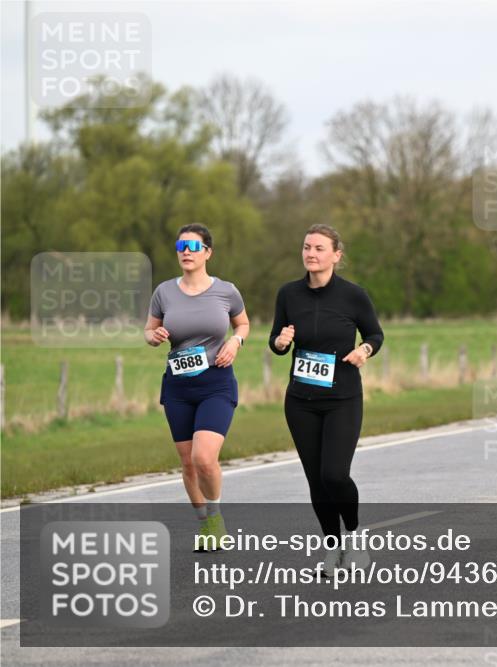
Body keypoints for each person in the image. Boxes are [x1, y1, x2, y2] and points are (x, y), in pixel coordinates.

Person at [270, 224, 384, 574]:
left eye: (319, 248)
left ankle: (355, 537)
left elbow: (375, 334)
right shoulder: (289, 294)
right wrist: (281, 343)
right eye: (307, 247)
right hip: (300, 401)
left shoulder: (353, 295)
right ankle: (332, 549)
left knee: (334, 475)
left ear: (336, 255)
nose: (311, 253)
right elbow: (276, 340)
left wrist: (364, 350)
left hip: (342, 399)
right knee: (316, 480)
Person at [144, 224, 249, 548]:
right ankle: (205, 524)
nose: (186, 252)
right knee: (188, 463)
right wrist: (154, 336)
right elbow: (148, 331)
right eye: (181, 246)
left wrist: (236, 341)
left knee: (204, 458)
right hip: (178, 387)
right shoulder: (164, 292)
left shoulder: (226, 291)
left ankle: (216, 517)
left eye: (193, 246)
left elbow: (243, 323)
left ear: (207, 252)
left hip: (216, 383)